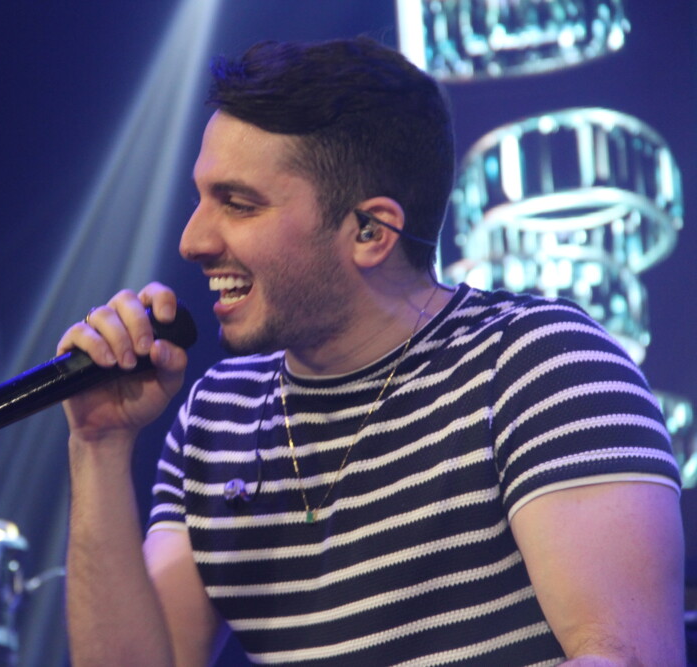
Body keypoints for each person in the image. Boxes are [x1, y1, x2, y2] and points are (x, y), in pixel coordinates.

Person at [56, 36, 685, 666]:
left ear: (369, 232)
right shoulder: (216, 420)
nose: (193, 240)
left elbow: (627, 659)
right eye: (201, 199)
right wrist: (98, 446)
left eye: (239, 205)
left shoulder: (540, 365)